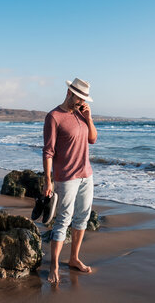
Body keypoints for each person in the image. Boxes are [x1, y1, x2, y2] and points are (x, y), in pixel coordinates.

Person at [42, 77, 98, 284]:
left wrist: (89, 118)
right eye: (79, 98)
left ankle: (74, 258)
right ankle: (54, 266)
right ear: (69, 93)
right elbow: (48, 152)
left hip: (86, 175)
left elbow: (93, 139)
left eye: (84, 99)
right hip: (66, 178)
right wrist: (47, 181)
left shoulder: (82, 114)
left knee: (82, 217)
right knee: (63, 221)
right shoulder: (54, 117)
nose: (81, 102)